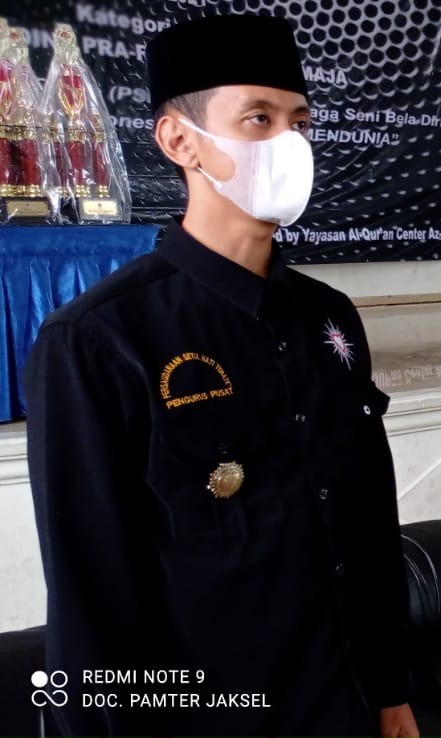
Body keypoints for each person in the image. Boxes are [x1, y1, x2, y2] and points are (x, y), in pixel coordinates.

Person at [22, 16, 416, 736]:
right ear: (180, 141)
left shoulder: (328, 316)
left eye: (300, 122)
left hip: (346, 703)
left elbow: (366, 519)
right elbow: (91, 596)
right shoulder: (100, 339)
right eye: (258, 119)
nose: (289, 143)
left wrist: (390, 687)